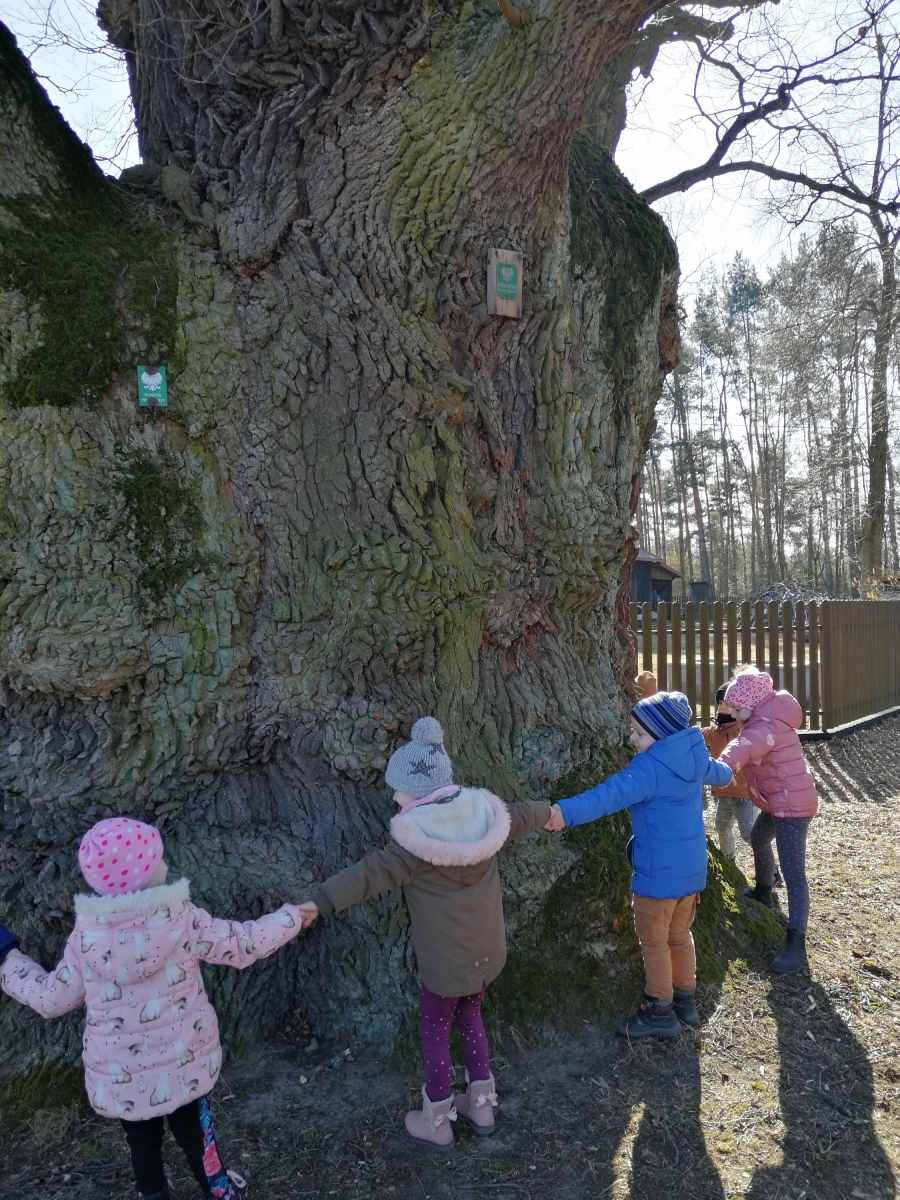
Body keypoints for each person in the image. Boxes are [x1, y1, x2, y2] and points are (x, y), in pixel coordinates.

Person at [0, 817, 307, 1200]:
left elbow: (52, 998)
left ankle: (155, 1195)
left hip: (124, 1079)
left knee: (142, 1145)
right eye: (157, 859)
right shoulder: (181, 918)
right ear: (142, 876)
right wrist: (293, 918)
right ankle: (219, 1191)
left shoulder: (86, 938)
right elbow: (241, 942)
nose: (165, 863)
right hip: (184, 1066)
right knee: (198, 1138)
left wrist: (7, 958)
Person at [297, 717, 552, 1150]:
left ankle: (437, 1119)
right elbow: (521, 816)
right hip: (485, 955)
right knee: (471, 1016)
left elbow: (365, 875)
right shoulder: (484, 816)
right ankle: (482, 1105)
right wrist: (550, 812)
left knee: (435, 1029)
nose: (394, 797)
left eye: (399, 790)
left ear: (417, 793)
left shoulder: (412, 845)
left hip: (444, 965)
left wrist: (319, 902)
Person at [545, 691, 732, 1038]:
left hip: (657, 876)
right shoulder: (695, 757)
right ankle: (685, 1001)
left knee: (655, 941)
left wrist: (564, 813)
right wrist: (731, 765)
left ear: (661, 735)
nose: (632, 738)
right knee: (680, 934)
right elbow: (721, 774)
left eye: (639, 733)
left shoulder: (649, 768)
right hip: (691, 873)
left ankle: (659, 1010)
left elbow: (608, 795)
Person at [718, 667, 818, 974]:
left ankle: (796, 943)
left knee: (793, 872)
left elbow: (744, 747)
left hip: (792, 807)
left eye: (737, 708)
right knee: (759, 837)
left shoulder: (764, 725)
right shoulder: (765, 715)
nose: (733, 713)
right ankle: (764, 891)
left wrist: (720, 767)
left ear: (751, 702)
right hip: (778, 801)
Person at [702, 683, 757, 863]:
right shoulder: (717, 729)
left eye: (725, 703)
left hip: (743, 793)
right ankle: (729, 861)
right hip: (724, 792)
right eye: (719, 703)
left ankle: (770, 869)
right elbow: (702, 735)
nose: (721, 707)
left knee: (749, 833)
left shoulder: (741, 729)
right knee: (722, 827)